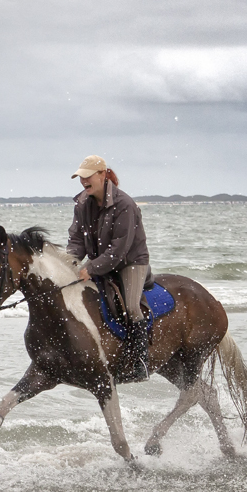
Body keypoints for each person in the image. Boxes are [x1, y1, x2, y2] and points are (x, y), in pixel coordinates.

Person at [66, 155, 151, 381]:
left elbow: (119, 249)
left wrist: (91, 268)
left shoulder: (125, 205)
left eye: (87, 176)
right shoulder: (82, 204)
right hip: (100, 262)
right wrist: (69, 264)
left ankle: (141, 361)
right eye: (80, 177)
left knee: (132, 307)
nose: (83, 181)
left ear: (102, 174)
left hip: (130, 262)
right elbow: (76, 240)